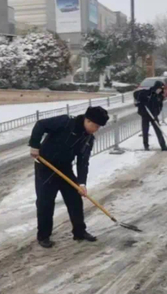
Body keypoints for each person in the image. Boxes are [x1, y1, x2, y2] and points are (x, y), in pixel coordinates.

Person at [29, 106, 109, 249]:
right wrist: (34, 145)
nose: (96, 129)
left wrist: (82, 183)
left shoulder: (88, 139)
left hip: (65, 168)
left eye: (99, 127)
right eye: (95, 125)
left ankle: (79, 232)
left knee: (75, 200)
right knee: (45, 202)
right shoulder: (65, 122)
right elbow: (41, 124)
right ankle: (44, 236)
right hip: (46, 167)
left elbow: (83, 162)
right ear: (87, 120)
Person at [134, 81, 167, 152]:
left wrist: (156, 114)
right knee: (145, 131)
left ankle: (163, 145)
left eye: (161, 89)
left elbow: (159, 106)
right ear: (156, 87)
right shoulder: (148, 93)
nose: (160, 90)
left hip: (154, 115)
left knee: (158, 130)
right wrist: (142, 101)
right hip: (145, 115)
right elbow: (136, 94)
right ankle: (146, 146)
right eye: (159, 89)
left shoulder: (160, 96)